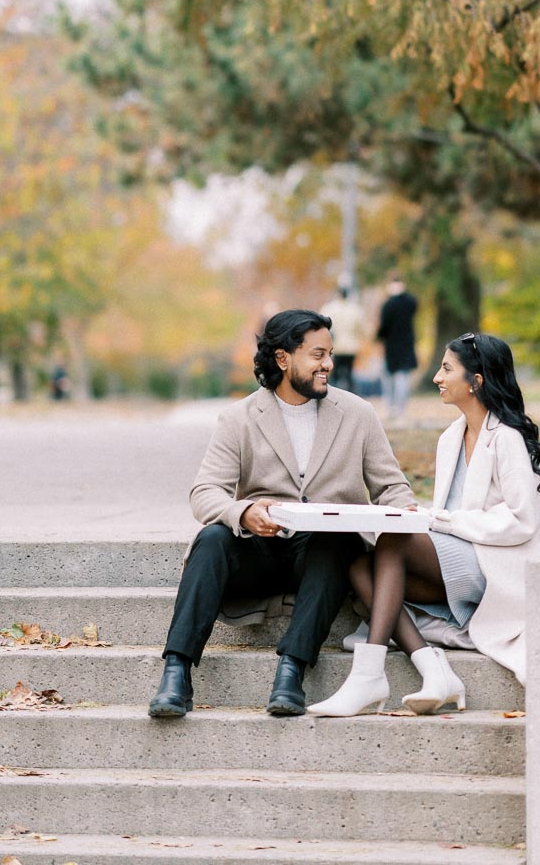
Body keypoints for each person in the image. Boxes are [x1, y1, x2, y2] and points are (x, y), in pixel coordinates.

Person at [148, 308, 416, 720]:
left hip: (323, 558)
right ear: (283, 358)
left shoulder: (358, 414)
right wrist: (245, 511)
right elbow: (205, 493)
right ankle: (176, 673)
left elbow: (391, 488)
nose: (328, 363)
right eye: (317, 354)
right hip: (259, 552)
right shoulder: (238, 418)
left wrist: (405, 512)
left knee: (337, 539)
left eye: (329, 353)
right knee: (212, 538)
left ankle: (290, 673)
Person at [307, 331, 540, 716]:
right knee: (358, 562)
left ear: (476, 382)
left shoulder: (505, 438)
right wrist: (434, 521)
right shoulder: (450, 438)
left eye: (446, 369)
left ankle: (368, 675)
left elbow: (522, 521)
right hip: (458, 559)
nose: (437, 378)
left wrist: (443, 521)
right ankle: (433, 668)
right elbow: (448, 517)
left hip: (498, 564)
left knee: (395, 540)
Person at [376, 276, 418, 418]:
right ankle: (401, 408)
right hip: (406, 344)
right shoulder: (410, 302)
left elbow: (383, 327)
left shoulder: (388, 304)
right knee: (403, 377)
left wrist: (378, 337)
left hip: (391, 346)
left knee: (390, 378)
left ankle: (391, 407)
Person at [320, 284, 366, 392]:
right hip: (351, 347)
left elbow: (321, 325)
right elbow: (362, 329)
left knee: (334, 373)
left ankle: (331, 394)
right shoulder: (355, 309)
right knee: (349, 374)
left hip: (334, 347)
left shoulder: (329, 308)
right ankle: (351, 397)